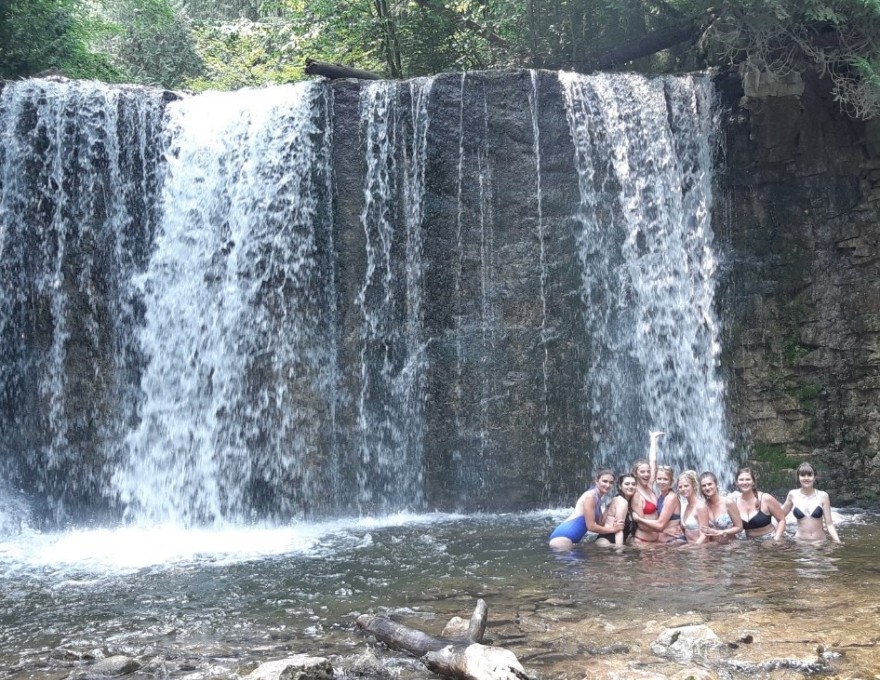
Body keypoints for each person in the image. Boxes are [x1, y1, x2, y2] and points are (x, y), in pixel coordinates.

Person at [548, 469, 625, 549]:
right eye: (604, 481)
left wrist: (609, 507)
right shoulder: (590, 497)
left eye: (611, 482)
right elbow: (591, 527)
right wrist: (613, 529)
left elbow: (600, 524)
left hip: (570, 540)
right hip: (562, 539)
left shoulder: (597, 498)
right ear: (596, 481)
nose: (608, 485)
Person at [779, 462, 841, 544]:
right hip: (800, 542)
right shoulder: (792, 495)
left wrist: (837, 541)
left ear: (814, 477)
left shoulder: (823, 496)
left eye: (809, 475)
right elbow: (779, 517)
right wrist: (779, 535)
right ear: (798, 477)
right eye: (802, 475)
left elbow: (829, 524)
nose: (806, 478)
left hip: (820, 542)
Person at [632, 465, 685, 543]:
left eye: (665, 479)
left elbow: (660, 525)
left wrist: (639, 519)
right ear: (655, 480)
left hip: (673, 540)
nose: (661, 482)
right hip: (662, 542)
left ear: (671, 481)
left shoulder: (671, 497)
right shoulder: (660, 496)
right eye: (659, 479)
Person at [730, 466, 786, 541]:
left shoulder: (765, 498)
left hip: (769, 539)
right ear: (736, 483)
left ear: (753, 482)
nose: (744, 482)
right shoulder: (734, 502)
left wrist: (776, 539)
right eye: (741, 480)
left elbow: (781, 520)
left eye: (748, 479)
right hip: (750, 543)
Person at [630, 431, 663, 544]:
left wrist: (653, 439)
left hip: (656, 541)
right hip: (643, 541)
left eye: (648, 471)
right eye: (642, 472)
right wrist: (663, 528)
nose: (646, 474)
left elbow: (652, 462)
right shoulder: (636, 495)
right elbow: (642, 526)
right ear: (636, 474)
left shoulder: (649, 485)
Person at [698, 471, 743, 543]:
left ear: (716, 484)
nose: (707, 488)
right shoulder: (703, 507)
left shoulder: (728, 503)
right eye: (704, 486)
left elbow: (739, 527)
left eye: (710, 484)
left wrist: (721, 532)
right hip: (714, 548)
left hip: (731, 545)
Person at [595, 473, 637, 546]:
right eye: (627, 484)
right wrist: (619, 551)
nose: (630, 486)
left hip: (605, 542)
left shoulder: (618, 499)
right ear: (620, 486)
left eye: (633, 484)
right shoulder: (622, 502)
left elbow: (601, 523)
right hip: (607, 542)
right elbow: (619, 530)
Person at [677, 470, 706, 544]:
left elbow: (704, 536)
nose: (683, 489)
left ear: (693, 485)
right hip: (689, 550)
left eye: (686, 486)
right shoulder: (685, 506)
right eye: (680, 487)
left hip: (701, 551)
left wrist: (692, 549)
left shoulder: (700, 507)